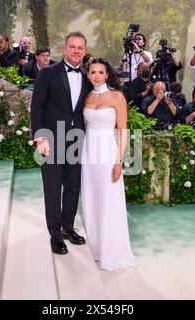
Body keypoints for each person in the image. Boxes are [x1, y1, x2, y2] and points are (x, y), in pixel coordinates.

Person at [31, 31, 91, 255]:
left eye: (80, 48)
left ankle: (68, 227)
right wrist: (40, 138)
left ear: (84, 51)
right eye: (72, 46)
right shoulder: (48, 73)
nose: (76, 51)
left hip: (77, 139)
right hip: (52, 138)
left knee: (73, 187)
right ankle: (55, 235)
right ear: (65, 48)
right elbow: (36, 106)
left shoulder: (87, 76)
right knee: (53, 188)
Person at [82, 58, 136, 271]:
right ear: (88, 75)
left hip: (107, 153)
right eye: (92, 72)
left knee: (108, 199)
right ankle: (95, 249)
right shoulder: (86, 96)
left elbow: (122, 130)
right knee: (90, 198)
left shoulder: (117, 96)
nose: (96, 76)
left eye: (100, 72)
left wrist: (119, 162)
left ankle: (111, 251)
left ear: (107, 75)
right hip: (88, 152)